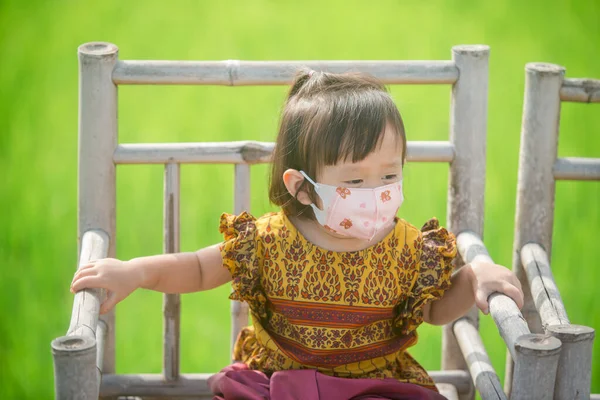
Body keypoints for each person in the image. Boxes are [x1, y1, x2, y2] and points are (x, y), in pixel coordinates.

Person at [70, 69, 524, 400]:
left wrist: (475, 276)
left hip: (374, 388)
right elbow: (197, 267)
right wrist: (134, 272)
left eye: (389, 175)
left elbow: (436, 310)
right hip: (278, 384)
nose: (377, 194)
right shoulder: (267, 241)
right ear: (301, 186)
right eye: (355, 181)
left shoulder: (408, 249)